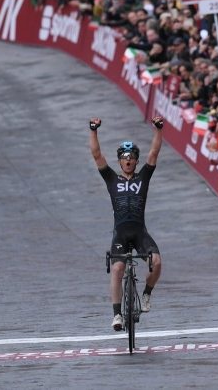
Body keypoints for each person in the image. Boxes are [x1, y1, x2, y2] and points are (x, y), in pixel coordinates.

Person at [89, 115, 163, 331]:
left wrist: (159, 129)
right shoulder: (112, 178)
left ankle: (147, 293)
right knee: (118, 268)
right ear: (120, 160)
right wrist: (93, 130)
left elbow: (154, 152)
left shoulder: (143, 178)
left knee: (157, 262)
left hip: (140, 232)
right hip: (121, 234)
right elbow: (96, 154)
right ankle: (117, 315)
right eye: (124, 157)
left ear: (136, 160)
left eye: (132, 157)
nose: (128, 160)